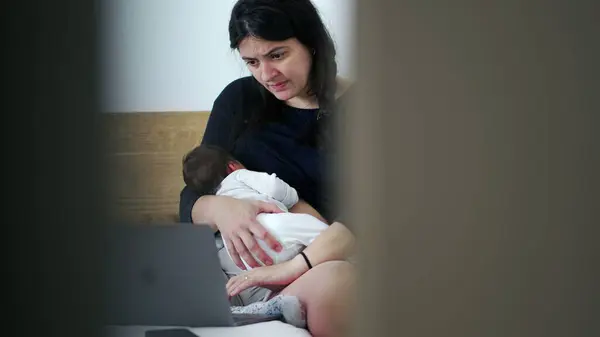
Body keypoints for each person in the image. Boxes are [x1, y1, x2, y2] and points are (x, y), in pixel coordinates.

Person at [179, 1, 357, 336]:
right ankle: (256, 311)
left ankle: (265, 311)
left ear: (312, 44)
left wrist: (292, 268)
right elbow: (192, 196)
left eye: (277, 55)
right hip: (243, 277)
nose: (265, 74)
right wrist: (221, 208)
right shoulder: (238, 101)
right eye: (251, 62)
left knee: (338, 282)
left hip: (322, 264)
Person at [181, 144, 329, 271]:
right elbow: (273, 188)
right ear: (232, 166)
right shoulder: (238, 176)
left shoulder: (219, 201)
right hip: (270, 227)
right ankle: (340, 247)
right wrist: (291, 196)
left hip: (249, 256)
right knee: (316, 230)